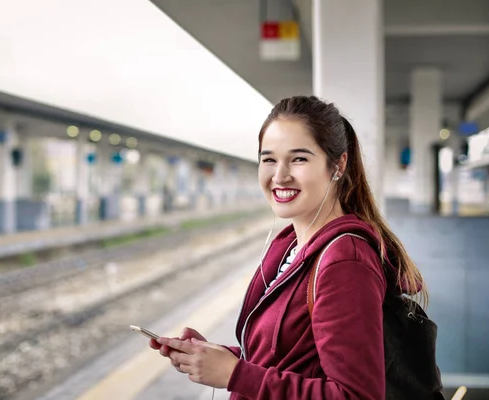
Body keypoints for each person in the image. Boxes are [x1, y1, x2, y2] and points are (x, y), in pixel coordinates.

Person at [149, 95, 428, 400]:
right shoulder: (293, 247)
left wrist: (234, 374)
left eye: (298, 159)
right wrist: (215, 358)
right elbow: (293, 359)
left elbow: (355, 396)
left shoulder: (343, 260)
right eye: (269, 159)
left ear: (337, 165)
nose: (279, 175)